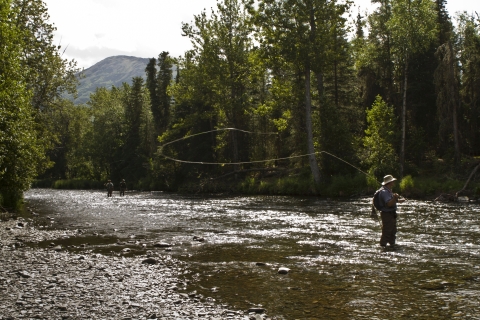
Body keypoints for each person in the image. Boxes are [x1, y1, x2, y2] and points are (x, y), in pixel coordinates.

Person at [375, 174, 405, 248]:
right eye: (392, 181)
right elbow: (389, 204)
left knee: (392, 232)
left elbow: (392, 201)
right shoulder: (384, 192)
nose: (394, 182)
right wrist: (394, 198)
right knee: (387, 232)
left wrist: (399, 200)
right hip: (387, 214)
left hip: (391, 214)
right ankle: (382, 247)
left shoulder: (388, 191)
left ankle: (392, 246)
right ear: (389, 182)